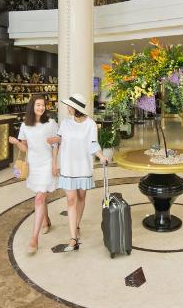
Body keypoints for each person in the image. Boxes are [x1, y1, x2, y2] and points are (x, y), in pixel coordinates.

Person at [49, 93, 109, 253]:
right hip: (68, 167)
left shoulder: (91, 124)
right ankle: (73, 238)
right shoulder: (65, 123)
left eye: (69, 106)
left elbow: (93, 144)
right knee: (70, 200)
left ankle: (76, 225)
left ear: (76, 108)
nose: (67, 108)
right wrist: (54, 162)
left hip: (83, 166)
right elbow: (58, 142)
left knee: (81, 197)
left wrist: (101, 156)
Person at [8, 94, 58, 255]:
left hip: (47, 164)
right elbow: (25, 148)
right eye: (38, 105)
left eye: (43, 105)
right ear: (32, 106)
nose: (41, 107)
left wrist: (55, 163)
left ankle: (34, 238)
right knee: (41, 195)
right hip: (33, 165)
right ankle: (46, 220)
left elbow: (56, 144)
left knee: (39, 198)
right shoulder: (25, 125)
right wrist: (17, 142)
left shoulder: (51, 123)